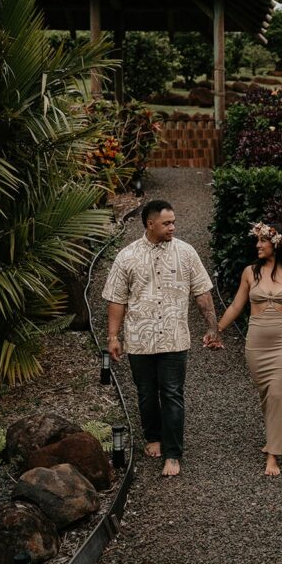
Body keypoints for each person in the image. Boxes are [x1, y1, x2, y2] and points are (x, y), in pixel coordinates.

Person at [102, 200, 222, 477]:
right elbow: (117, 300)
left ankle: (172, 453)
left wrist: (213, 327)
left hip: (174, 337)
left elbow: (202, 292)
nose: (173, 227)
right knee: (145, 394)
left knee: (172, 393)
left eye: (174, 222)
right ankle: (153, 437)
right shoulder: (127, 256)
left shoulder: (187, 253)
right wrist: (113, 336)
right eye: (167, 223)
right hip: (139, 339)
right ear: (150, 224)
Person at [217, 222, 282, 476]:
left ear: (277, 243)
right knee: (265, 393)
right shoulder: (250, 272)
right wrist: (217, 329)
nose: (257, 245)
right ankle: (273, 436)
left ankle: (273, 455)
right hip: (256, 344)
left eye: (263, 240)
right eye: (257, 240)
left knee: (277, 394)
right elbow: (236, 306)